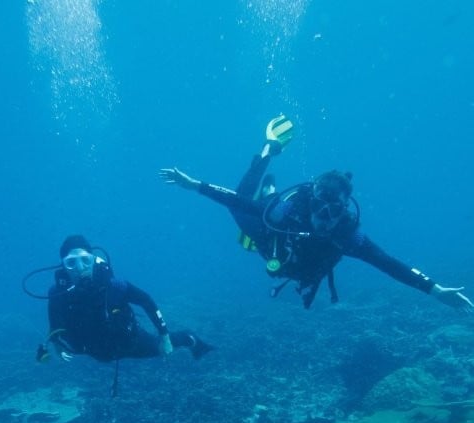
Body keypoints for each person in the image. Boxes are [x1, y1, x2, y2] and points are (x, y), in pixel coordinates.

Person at [160, 117, 473, 312]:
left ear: (344, 211)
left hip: (296, 265)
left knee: (255, 215)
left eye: (335, 210)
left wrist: (433, 289)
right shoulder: (289, 211)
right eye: (320, 205)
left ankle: (269, 188)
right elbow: (239, 201)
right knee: (241, 201)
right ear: (310, 202)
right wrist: (195, 185)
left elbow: (388, 263)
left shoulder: (348, 235)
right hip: (269, 235)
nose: (325, 215)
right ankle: (269, 152)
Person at [47, 235, 213, 366]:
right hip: (92, 350)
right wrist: (57, 345)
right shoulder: (57, 294)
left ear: (93, 260)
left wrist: (165, 338)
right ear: (63, 266)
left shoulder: (115, 286)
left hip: (128, 344)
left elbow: (146, 301)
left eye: (85, 260)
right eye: (71, 262)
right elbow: (54, 323)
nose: (80, 267)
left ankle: (191, 339)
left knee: (158, 348)